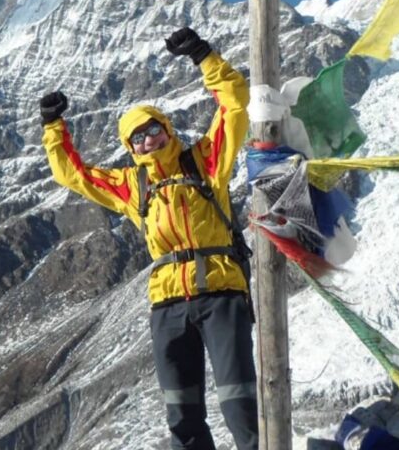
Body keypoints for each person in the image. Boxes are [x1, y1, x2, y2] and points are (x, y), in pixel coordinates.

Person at [39, 27, 257, 450]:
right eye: (136, 137)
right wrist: (52, 125)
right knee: (182, 414)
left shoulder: (206, 161)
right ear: (129, 146)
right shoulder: (131, 186)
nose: (147, 140)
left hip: (220, 293)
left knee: (240, 406)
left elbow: (234, 104)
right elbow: (73, 175)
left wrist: (203, 56)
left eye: (153, 130)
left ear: (166, 128)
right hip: (167, 305)